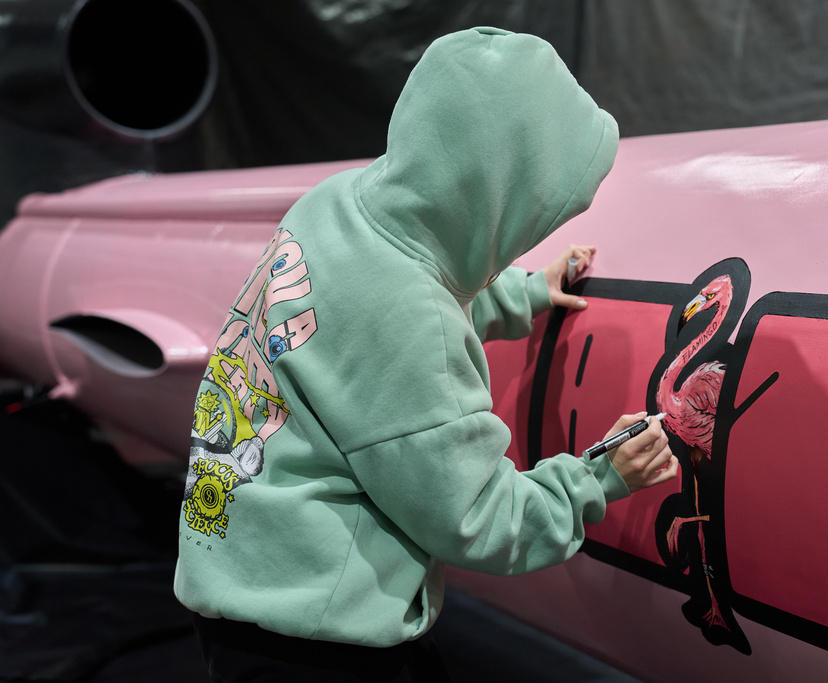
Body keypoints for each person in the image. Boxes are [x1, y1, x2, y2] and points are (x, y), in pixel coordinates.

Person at [175, 26, 678, 682]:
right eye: (536, 210)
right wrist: (599, 478)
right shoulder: (412, 322)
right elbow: (475, 516)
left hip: (242, 574)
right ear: (498, 193)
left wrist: (521, 292)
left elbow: (365, 319)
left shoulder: (334, 203)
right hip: (319, 636)